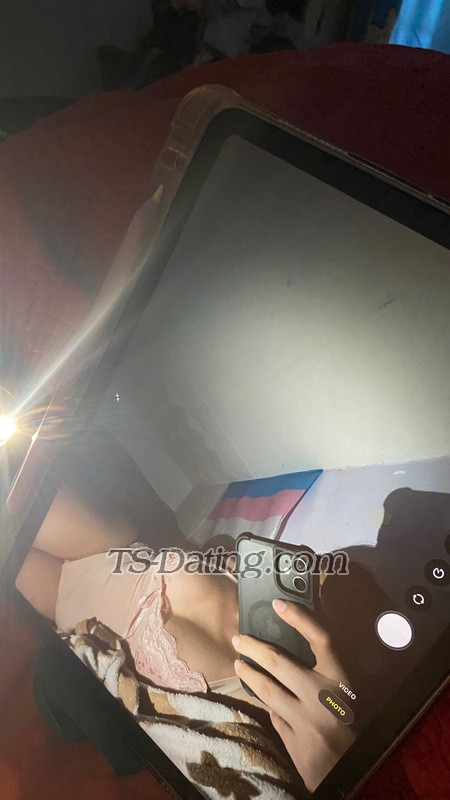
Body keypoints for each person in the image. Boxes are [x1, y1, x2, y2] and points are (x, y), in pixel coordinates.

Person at [15, 428, 396, 792]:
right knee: (17, 475)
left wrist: (341, 760)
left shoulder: (296, 729)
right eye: (315, 564)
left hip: (77, 614)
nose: (305, 561)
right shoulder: (257, 590)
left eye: (319, 573)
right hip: (109, 553)